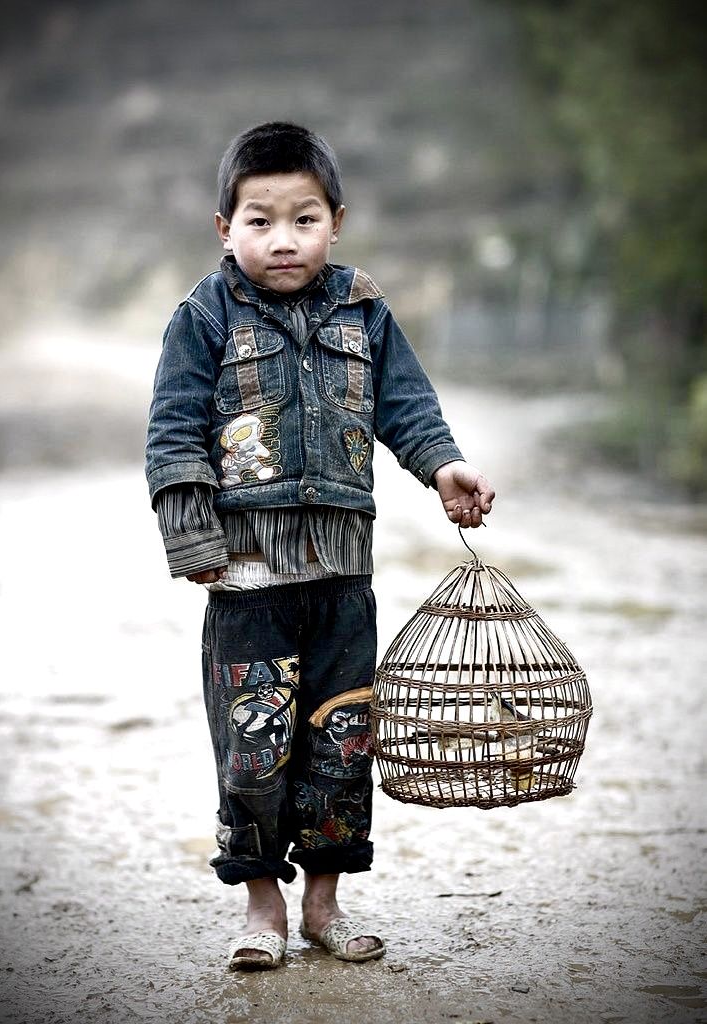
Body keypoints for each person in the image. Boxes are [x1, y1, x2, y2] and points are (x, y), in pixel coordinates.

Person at [145, 122, 495, 971]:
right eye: (259, 220)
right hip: (247, 580)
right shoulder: (202, 315)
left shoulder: (362, 307)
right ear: (223, 227)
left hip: (343, 577)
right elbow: (173, 433)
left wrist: (443, 467)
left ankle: (323, 906)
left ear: (336, 220)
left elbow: (405, 404)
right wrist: (192, 537)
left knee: (341, 743)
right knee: (255, 747)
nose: (283, 239)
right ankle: (262, 910)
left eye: (304, 219)